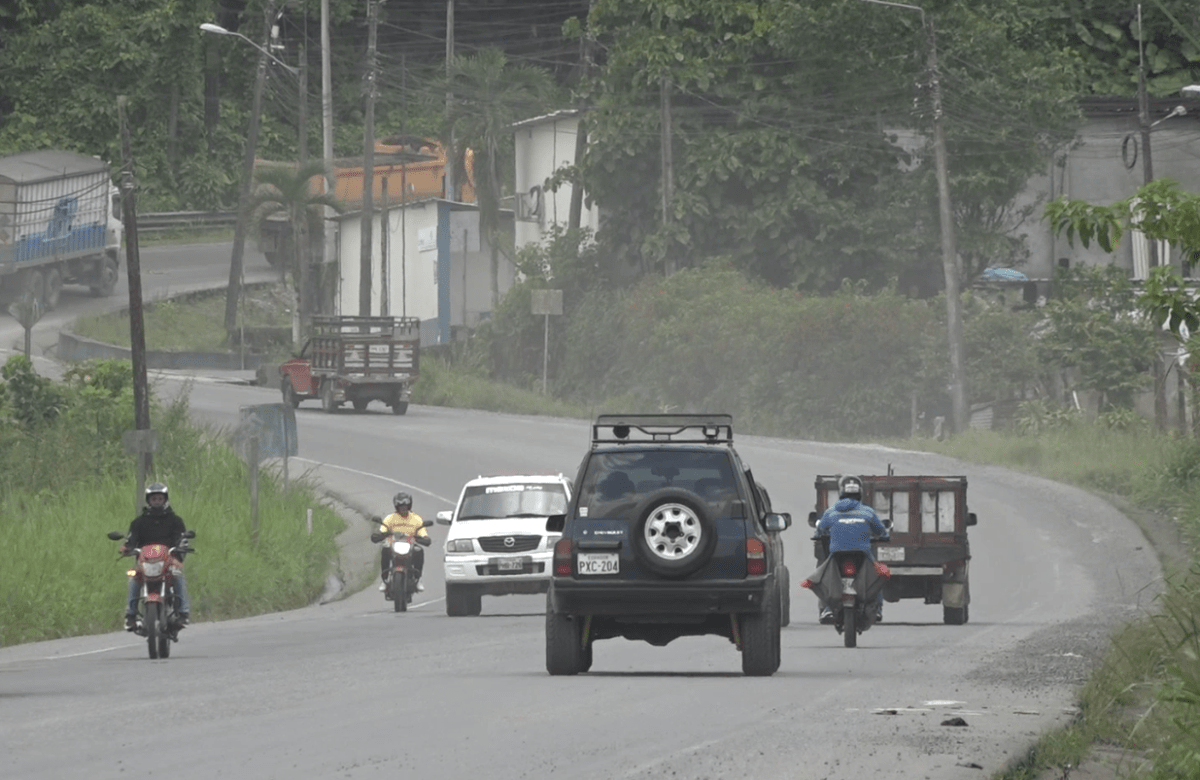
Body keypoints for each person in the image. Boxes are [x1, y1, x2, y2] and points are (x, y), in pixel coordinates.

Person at [814, 474, 890, 624]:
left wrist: (820, 534)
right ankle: (878, 609)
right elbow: (881, 532)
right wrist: (884, 536)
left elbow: (819, 531)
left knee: (825, 576)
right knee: (877, 576)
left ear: (841, 492)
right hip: (862, 554)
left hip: (837, 554)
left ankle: (827, 608)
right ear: (860, 492)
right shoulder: (868, 512)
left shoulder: (831, 512)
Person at [122, 482, 191, 631]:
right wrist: (127, 547)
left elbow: (181, 538)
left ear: (165, 500)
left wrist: (180, 548)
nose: (157, 502)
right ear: (148, 501)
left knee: (178, 575)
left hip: (169, 560)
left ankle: (183, 613)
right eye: (154, 499)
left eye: (160, 499)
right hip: (145, 562)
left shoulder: (175, 521)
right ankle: (131, 615)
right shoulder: (139, 522)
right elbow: (132, 539)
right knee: (134, 578)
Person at [378, 492, 431, 593]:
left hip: (410, 545)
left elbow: (423, 533)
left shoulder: (416, 519)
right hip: (393, 544)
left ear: (409, 506)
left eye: (405, 506)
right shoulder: (390, 518)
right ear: (397, 507)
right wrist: (380, 535)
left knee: (419, 551)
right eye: (401, 506)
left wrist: (423, 538)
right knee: (385, 550)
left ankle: (417, 579)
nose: (403, 508)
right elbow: (382, 530)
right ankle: (384, 580)